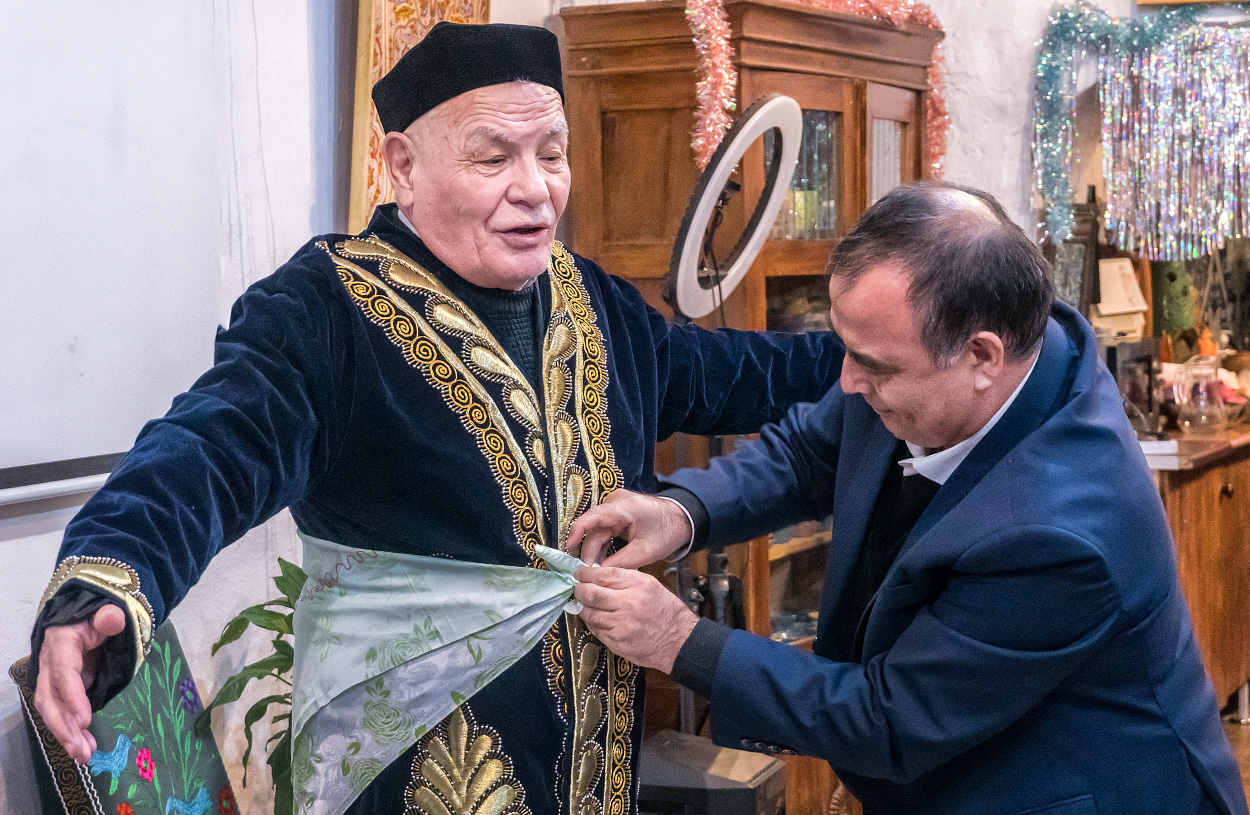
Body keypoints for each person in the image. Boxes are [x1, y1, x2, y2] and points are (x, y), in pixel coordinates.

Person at [28, 22, 841, 815]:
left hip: (596, 770)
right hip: (413, 774)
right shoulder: (327, 311)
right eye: (494, 157)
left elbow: (745, 375)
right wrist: (111, 568)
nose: (535, 187)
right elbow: (209, 451)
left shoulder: (592, 300)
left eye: (552, 153)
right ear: (403, 166)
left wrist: (877, 351)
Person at [571, 182, 1250, 815]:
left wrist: (679, 640)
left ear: (982, 356)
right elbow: (809, 452)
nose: (847, 381)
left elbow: (889, 719)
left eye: (871, 365)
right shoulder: (933, 353)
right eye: (845, 348)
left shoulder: (1062, 531)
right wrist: (683, 512)